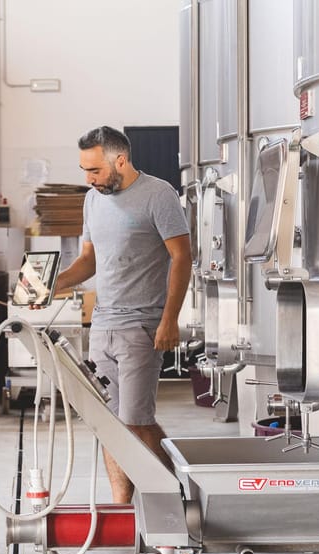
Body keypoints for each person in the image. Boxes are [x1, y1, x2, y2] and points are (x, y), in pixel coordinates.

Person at [54, 125, 191, 504]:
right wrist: (51, 286)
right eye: (84, 170)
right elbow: (88, 260)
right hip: (103, 326)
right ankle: (121, 508)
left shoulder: (158, 195)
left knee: (135, 422)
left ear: (120, 160)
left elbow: (182, 257)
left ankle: (178, 495)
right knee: (109, 424)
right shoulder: (92, 201)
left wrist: (169, 319)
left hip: (142, 326)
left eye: (94, 170)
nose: (88, 179)